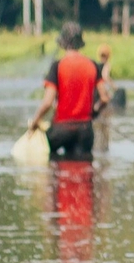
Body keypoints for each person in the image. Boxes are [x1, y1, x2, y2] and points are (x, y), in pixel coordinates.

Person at [28, 23, 106, 161]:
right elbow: (105, 98)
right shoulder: (93, 65)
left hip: (61, 129)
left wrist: (34, 123)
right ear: (80, 43)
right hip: (85, 130)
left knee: (52, 166)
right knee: (84, 170)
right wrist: (94, 112)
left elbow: (47, 102)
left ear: (63, 43)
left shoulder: (57, 66)